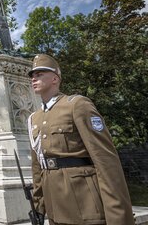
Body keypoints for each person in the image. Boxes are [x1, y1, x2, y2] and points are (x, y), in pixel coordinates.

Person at [27, 54, 134, 225]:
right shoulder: (34, 118)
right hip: (55, 205)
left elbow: (105, 160)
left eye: (39, 74)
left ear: (55, 78)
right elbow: (38, 166)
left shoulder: (76, 105)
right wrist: (39, 206)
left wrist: (118, 217)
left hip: (84, 202)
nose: (34, 78)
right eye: (32, 75)